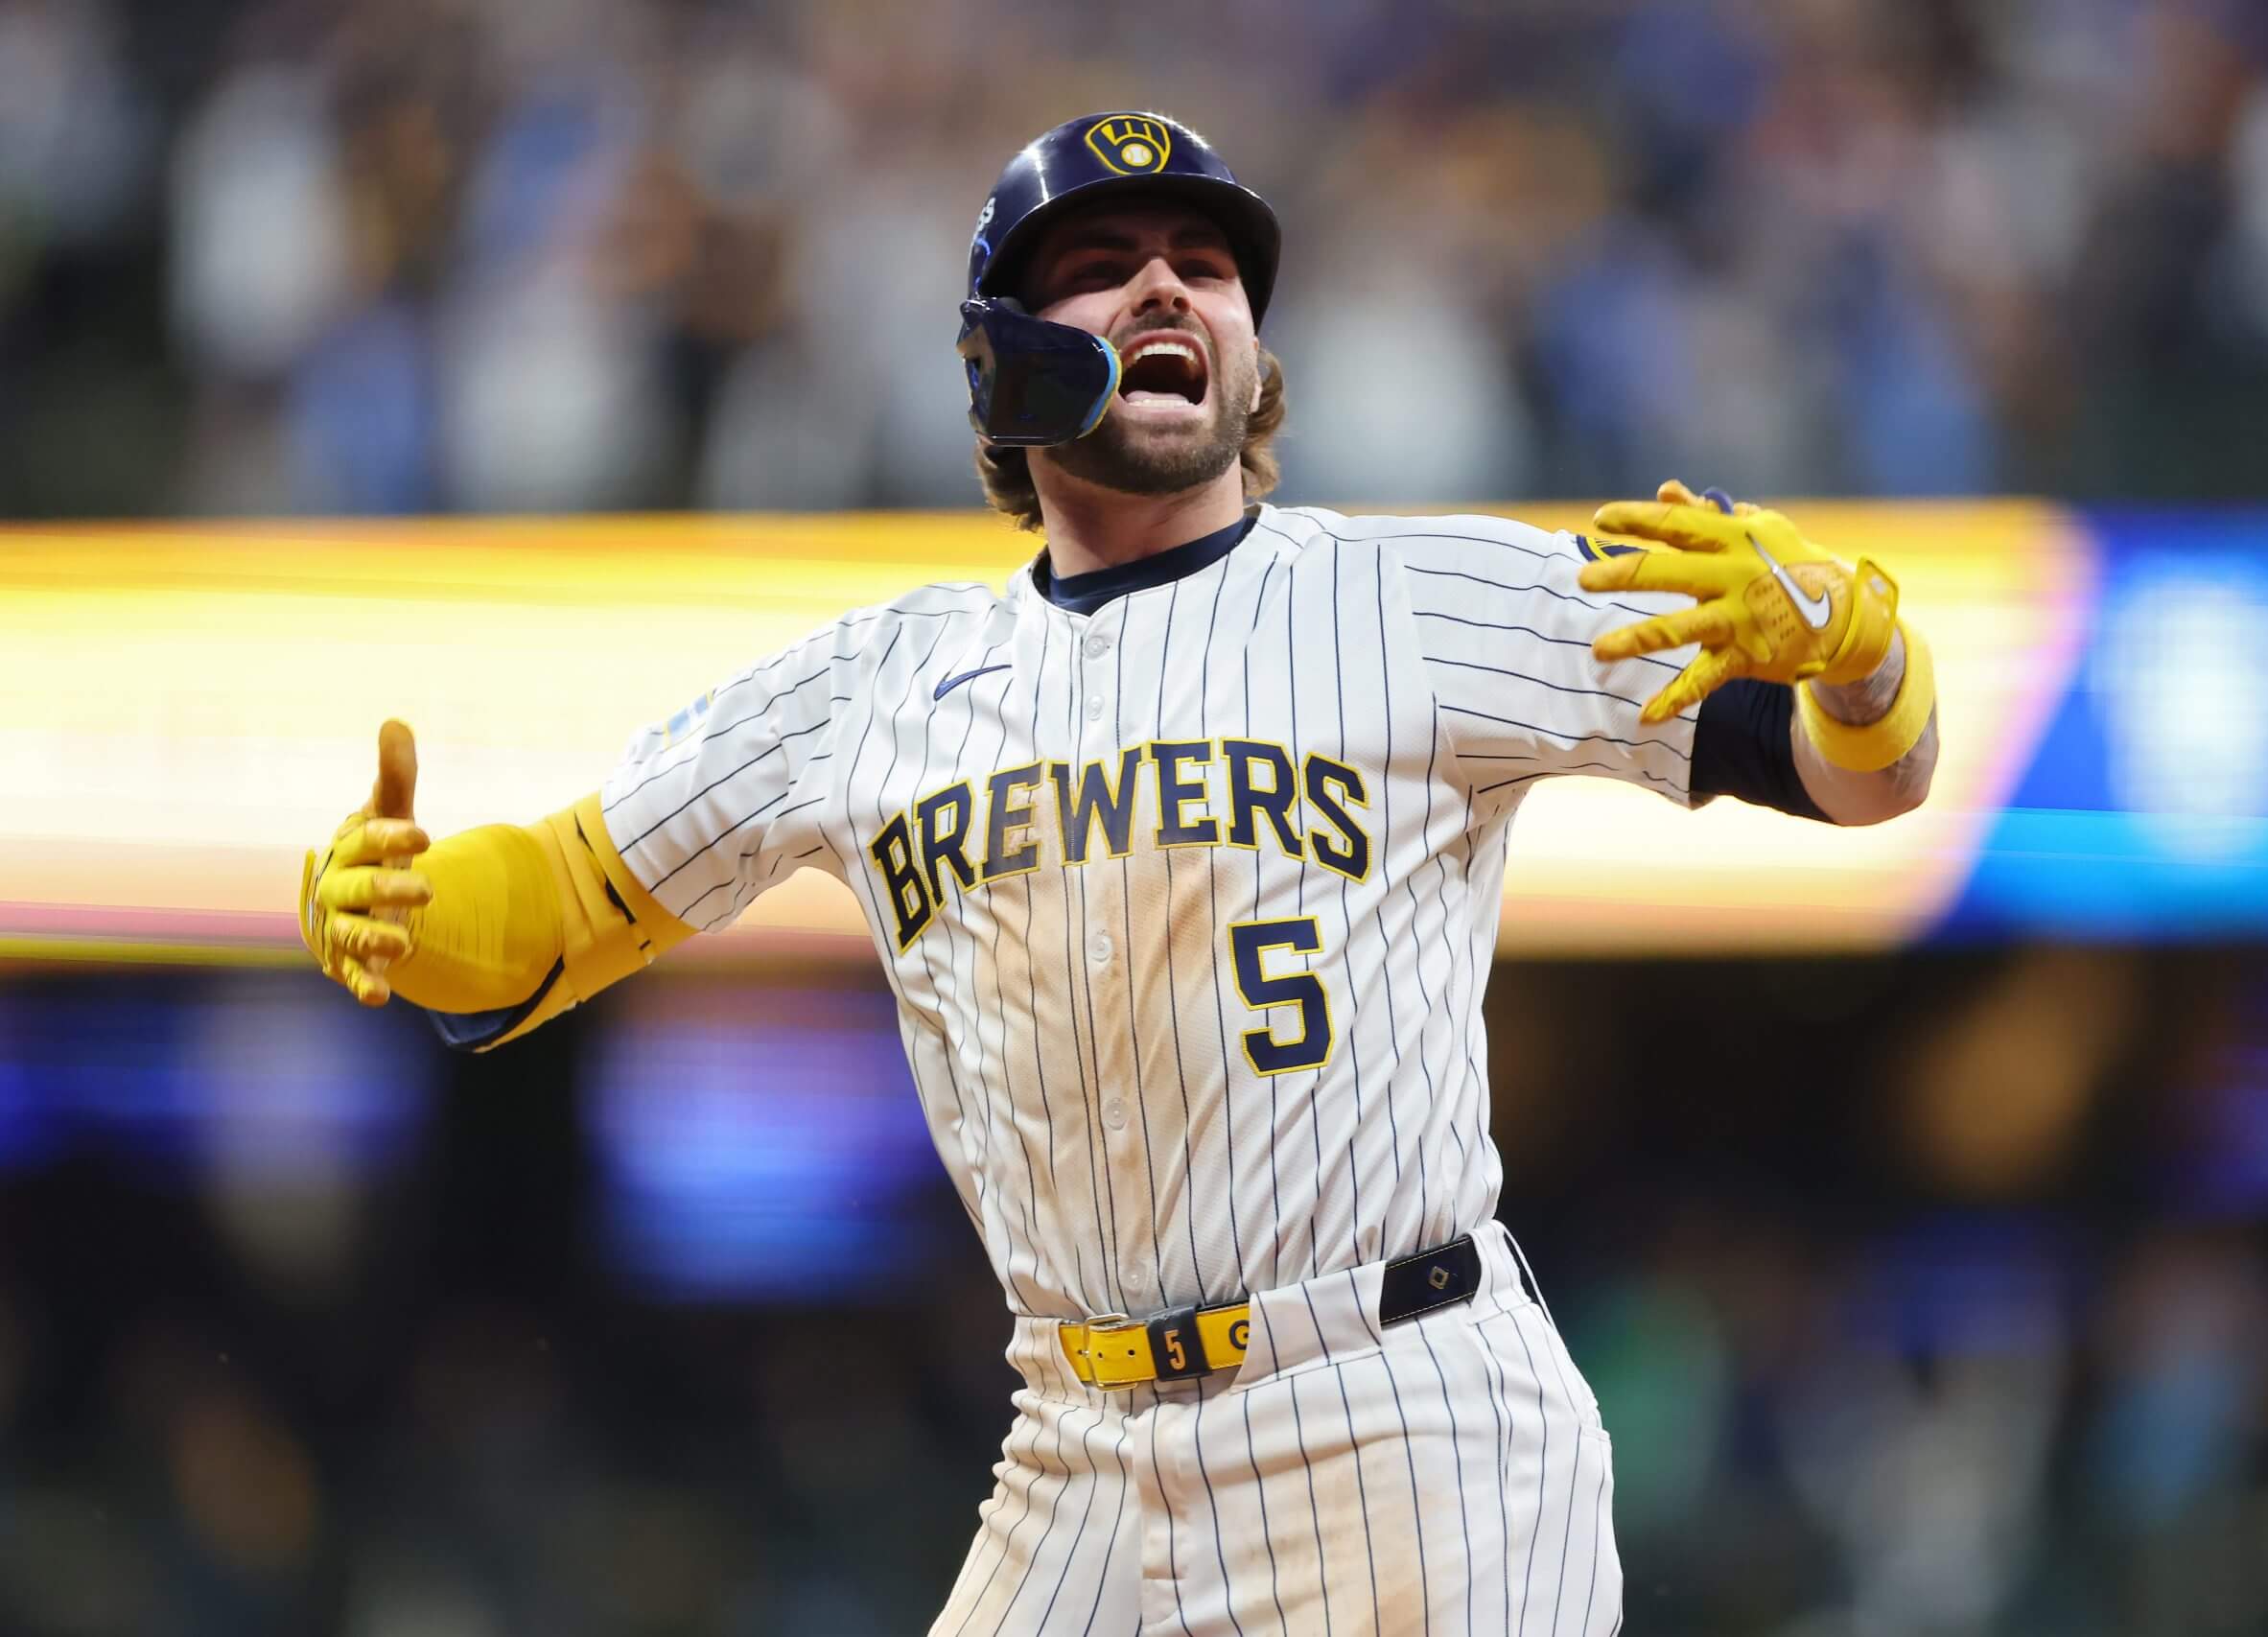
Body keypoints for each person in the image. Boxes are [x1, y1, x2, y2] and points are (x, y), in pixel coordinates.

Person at [300, 109, 1939, 1633]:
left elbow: (1853, 779)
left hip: (1398, 1412)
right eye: (1101, 262)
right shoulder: (879, 685)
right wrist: (411, 916)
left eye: (1207, 266)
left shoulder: (1417, 599)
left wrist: (1861, 662)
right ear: (999, 360)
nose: (1169, 280)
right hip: (1077, 1442)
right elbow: (568, 899)